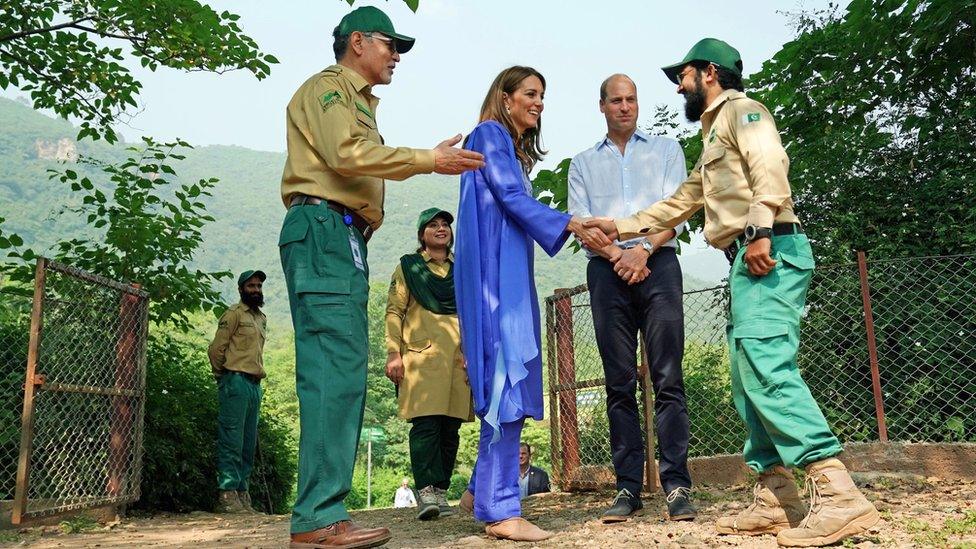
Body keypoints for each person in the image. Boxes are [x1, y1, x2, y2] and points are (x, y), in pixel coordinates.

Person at [583, 38, 880, 547]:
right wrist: (619, 224)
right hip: (746, 258)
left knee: (767, 368)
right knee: (747, 378)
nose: (680, 84)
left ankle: (839, 496)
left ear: (710, 74)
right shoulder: (713, 131)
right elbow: (684, 200)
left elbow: (770, 167)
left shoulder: (744, 112)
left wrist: (762, 228)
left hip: (768, 249)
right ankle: (777, 497)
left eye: (685, 75)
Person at [278, 6, 485, 548]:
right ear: (357, 43)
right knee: (331, 372)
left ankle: (325, 512)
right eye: (391, 45)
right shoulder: (329, 90)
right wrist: (429, 159)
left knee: (343, 373)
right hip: (323, 228)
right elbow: (347, 156)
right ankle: (319, 518)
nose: (396, 56)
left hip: (341, 235)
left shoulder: (357, 101)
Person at [453, 65, 611, 542]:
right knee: (508, 388)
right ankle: (501, 511)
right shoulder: (489, 134)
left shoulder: (500, 143)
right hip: (497, 281)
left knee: (509, 385)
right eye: (530, 93)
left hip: (506, 273)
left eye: (542, 95)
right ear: (504, 97)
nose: (538, 102)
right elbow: (506, 195)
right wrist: (573, 223)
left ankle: (483, 495)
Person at [568, 73, 696, 524]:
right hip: (606, 272)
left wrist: (642, 250)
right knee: (618, 383)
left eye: (631, 99)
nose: (625, 107)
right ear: (601, 105)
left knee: (668, 378)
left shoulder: (666, 151)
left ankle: (677, 485)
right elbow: (582, 224)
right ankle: (627, 487)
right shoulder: (582, 163)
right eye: (616, 100)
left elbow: (678, 211)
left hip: (658, 264)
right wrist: (618, 257)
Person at [385, 207, 474, 521]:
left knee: (450, 428)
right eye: (433, 225)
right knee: (425, 425)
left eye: (445, 225)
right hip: (420, 359)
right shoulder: (409, 268)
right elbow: (395, 311)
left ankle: (440, 492)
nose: (441, 229)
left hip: (458, 359)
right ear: (422, 234)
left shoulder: (462, 268)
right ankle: (424, 491)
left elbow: (474, 312)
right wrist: (393, 353)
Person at [208, 270, 267, 515]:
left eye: (259, 286)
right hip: (235, 380)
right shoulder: (233, 314)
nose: (256, 290)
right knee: (232, 439)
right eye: (251, 285)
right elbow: (216, 349)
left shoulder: (261, 318)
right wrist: (224, 377)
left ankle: (243, 495)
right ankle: (227, 495)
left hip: (254, 384)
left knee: (247, 442)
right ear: (241, 289)